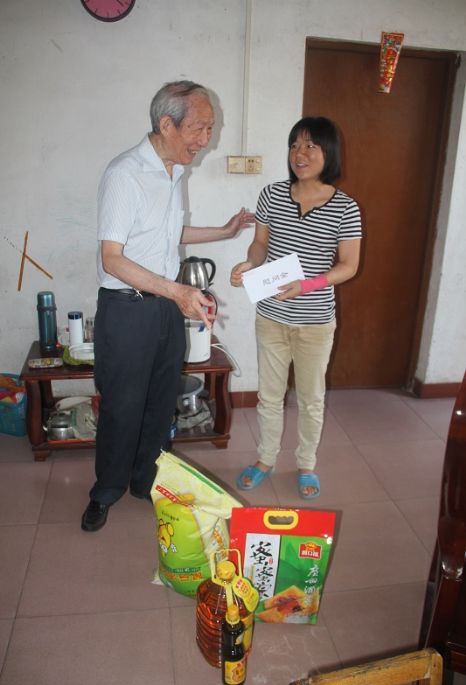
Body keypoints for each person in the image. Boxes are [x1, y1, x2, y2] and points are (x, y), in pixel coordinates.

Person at [81, 80, 254, 532]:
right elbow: (113, 258)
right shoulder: (125, 173)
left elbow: (166, 235)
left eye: (210, 129)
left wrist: (225, 231)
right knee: (122, 406)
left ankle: (146, 482)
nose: (206, 140)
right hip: (127, 310)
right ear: (166, 124)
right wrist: (178, 292)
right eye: (199, 128)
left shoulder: (174, 172)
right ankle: (105, 491)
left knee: (161, 403)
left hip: (163, 309)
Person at [230, 116, 362, 499]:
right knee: (269, 396)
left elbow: (349, 266)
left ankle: (306, 464)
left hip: (315, 322)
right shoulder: (272, 195)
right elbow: (260, 244)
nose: (299, 154)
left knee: (311, 399)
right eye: (294, 146)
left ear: (328, 153)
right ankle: (265, 459)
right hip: (271, 316)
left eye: (310, 146)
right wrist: (249, 263)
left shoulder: (346, 208)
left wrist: (307, 285)